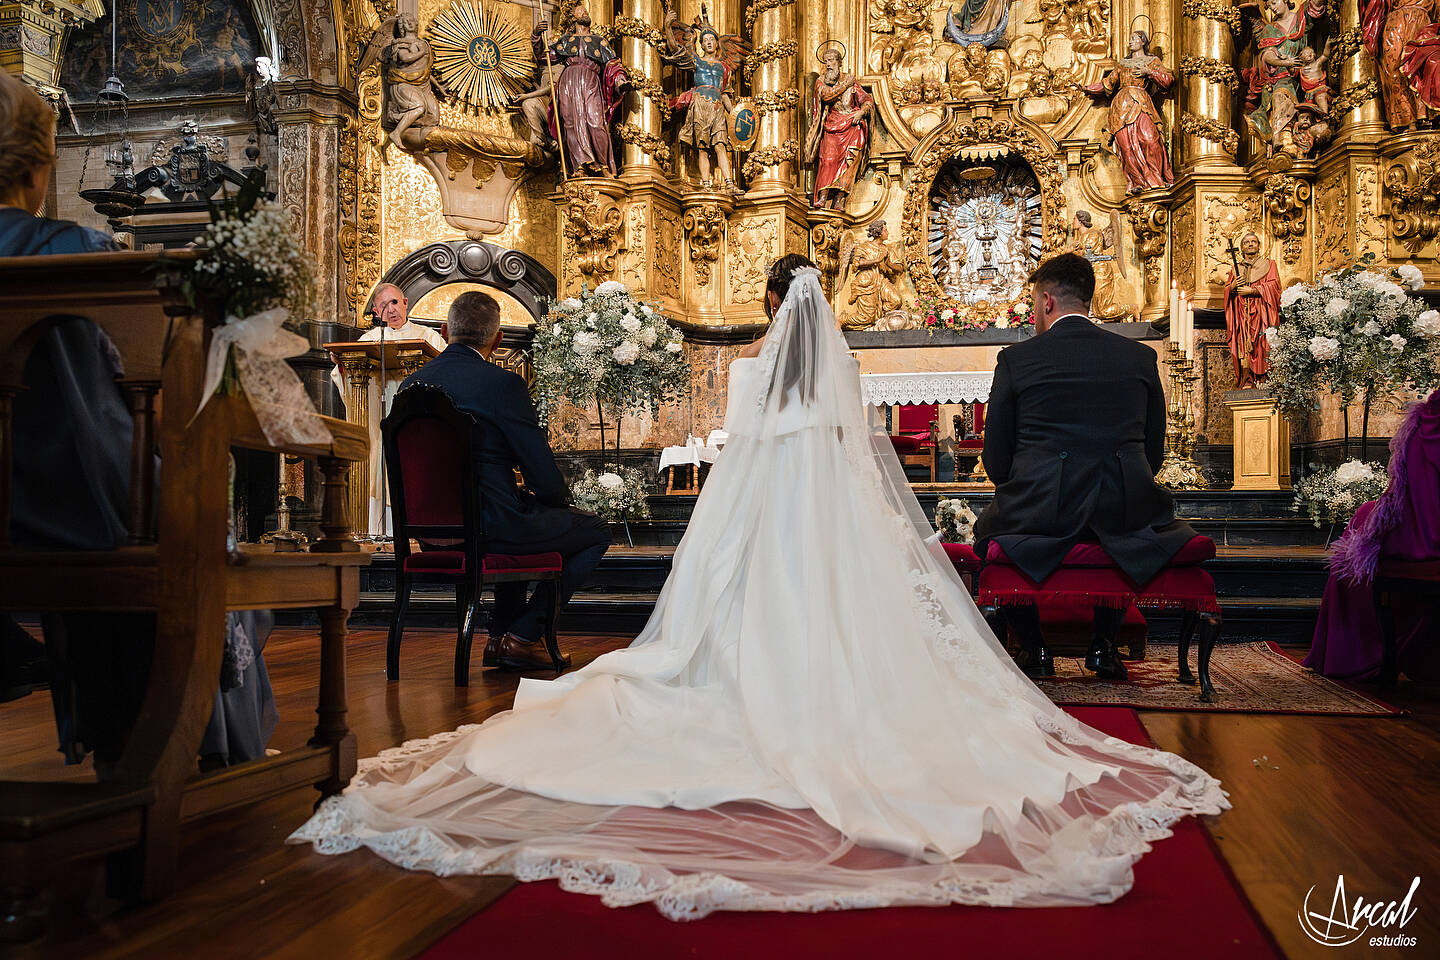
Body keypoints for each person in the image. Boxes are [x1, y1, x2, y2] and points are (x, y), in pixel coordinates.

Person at [291, 257, 1227, 918]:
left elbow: (982, 456)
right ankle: (1089, 639)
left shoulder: (773, 388)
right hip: (1128, 515)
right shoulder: (1127, 359)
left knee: (715, 625)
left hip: (1019, 511)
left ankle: (553, 638)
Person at [0, 68, 275, 767]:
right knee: (195, 528)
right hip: (82, 508)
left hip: (14, 508)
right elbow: (148, 389)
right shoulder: (78, 253)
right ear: (38, 169)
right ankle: (190, 751)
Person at [974, 253, 1196, 680]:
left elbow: (997, 458)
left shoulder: (1017, 360)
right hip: (1124, 505)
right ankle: (1103, 644)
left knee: (991, 531)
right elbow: (1154, 452)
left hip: (1040, 510)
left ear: (1046, 301)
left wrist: (1022, 486)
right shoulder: (1139, 358)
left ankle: (1035, 649)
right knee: (1123, 528)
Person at [397, 291, 609, 670]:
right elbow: (544, 479)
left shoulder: (408, 388)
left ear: (444, 331)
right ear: (497, 341)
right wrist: (555, 497)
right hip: (491, 527)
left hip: (429, 534)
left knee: (518, 511)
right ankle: (523, 635)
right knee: (594, 531)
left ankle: (499, 638)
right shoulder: (504, 385)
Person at [1306, 389, 1440, 681]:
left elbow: (1403, 494)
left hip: (1422, 542)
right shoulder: (1423, 421)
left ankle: (1359, 654)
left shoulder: (1422, 424)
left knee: (1360, 533)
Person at [330, 282, 446, 536]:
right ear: (374, 311)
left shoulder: (428, 337)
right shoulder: (369, 341)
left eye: (394, 302)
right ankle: (375, 531)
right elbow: (345, 378)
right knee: (377, 464)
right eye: (383, 305)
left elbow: (445, 375)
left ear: (405, 303)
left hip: (416, 423)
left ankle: (416, 534)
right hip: (376, 419)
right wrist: (342, 365)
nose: (391, 310)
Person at [531, 4, 627, 176]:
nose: (585, 12)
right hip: (568, 82)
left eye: (586, 10)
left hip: (590, 80)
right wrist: (537, 35)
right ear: (573, 18)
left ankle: (603, 165)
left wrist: (620, 80)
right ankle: (579, 166)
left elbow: (612, 64)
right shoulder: (565, 41)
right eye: (580, 10)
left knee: (595, 122)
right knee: (571, 124)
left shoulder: (599, 41)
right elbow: (543, 57)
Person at [1085, 31, 1174, 193]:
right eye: (1129, 39)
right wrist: (1087, 88)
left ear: (1143, 41)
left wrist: (1149, 72)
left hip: (1142, 102)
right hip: (1121, 106)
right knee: (1126, 147)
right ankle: (1136, 182)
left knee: (1150, 140)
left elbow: (1167, 81)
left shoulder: (1152, 61)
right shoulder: (1123, 64)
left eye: (1134, 39)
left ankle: (1156, 179)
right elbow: (1108, 83)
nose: (1130, 42)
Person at [804, 44, 873, 211]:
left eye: (832, 61)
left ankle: (839, 199)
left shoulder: (851, 81)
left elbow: (866, 100)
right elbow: (826, 95)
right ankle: (822, 197)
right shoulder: (821, 81)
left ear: (839, 62)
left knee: (849, 163)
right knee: (828, 160)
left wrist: (861, 112)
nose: (828, 64)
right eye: (826, 61)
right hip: (832, 126)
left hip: (852, 126)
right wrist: (845, 85)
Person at [1224, 231, 1282, 389]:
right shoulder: (1235, 269)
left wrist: (1254, 291)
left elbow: (1275, 286)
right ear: (1241, 248)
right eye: (1246, 242)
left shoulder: (1269, 264)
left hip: (1262, 313)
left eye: (1254, 241)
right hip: (1242, 314)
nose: (1250, 244)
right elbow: (1227, 291)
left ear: (1259, 246)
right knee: (1244, 344)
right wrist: (1233, 286)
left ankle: (1263, 380)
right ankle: (1248, 379)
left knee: (1262, 344)